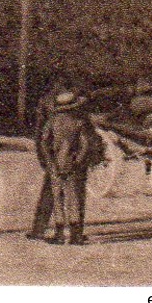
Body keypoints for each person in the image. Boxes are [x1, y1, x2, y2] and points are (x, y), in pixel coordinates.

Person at [37, 89, 103, 245]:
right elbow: (85, 145)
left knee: (58, 198)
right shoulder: (78, 123)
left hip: (55, 165)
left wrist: (49, 160)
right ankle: (75, 235)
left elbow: (44, 142)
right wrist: (78, 161)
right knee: (73, 199)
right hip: (71, 165)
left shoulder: (52, 122)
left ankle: (59, 234)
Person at [27, 72, 74, 240]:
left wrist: (42, 153)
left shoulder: (47, 101)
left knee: (51, 190)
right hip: (68, 154)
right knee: (70, 192)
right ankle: (74, 232)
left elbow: (40, 132)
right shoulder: (74, 100)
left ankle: (41, 229)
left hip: (54, 153)